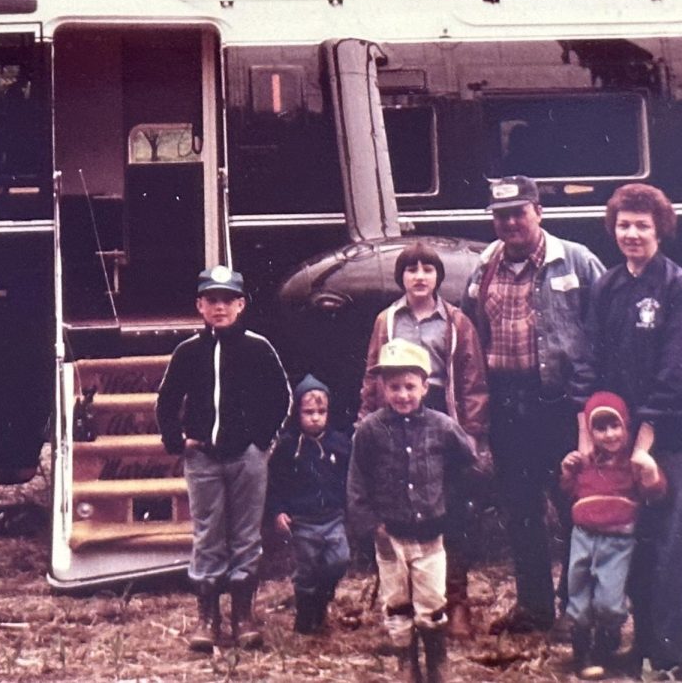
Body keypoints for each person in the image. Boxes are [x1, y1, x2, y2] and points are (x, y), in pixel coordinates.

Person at [570, 183, 682, 678]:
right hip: (621, 439)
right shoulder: (608, 287)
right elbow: (589, 364)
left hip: (672, 438)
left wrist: (645, 446)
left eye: (642, 226)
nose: (631, 234)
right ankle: (649, 647)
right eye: (624, 225)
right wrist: (590, 437)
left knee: (675, 544)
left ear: (661, 231)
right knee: (635, 543)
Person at [461, 175, 605, 634]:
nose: (509, 223)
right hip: (507, 405)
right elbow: (470, 337)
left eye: (518, 213)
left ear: (538, 212)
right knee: (519, 508)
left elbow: (602, 333)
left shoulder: (576, 261)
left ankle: (576, 607)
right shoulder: (484, 267)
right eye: (501, 216)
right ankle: (535, 608)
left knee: (573, 506)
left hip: (561, 406)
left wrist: (591, 401)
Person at [357, 241, 491, 638]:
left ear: (438, 277)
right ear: (401, 277)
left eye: (427, 269)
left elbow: (473, 381)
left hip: (442, 425)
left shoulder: (455, 322)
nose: (419, 276)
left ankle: (456, 598)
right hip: (397, 424)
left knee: (452, 513)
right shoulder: (387, 320)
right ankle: (406, 604)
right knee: (403, 510)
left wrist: (472, 435)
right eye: (411, 269)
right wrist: (366, 419)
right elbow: (371, 375)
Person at [156, 265, 291, 652]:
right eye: (211, 300)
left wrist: (261, 442)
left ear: (241, 304)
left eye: (227, 300)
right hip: (203, 460)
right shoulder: (188, 352)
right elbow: (166, 400)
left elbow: (281, 397)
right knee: (208, 533)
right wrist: (176, 440)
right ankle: (207, 618)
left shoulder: (258, 348)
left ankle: (243, 616)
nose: (220, 307)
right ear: (200, 305)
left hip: (247, 458)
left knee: (246, 534)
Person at [348, 339, 479, 683]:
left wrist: (452, 505)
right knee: (397, 600)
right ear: (382, 388)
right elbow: (357, 481)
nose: (402, 395)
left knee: (431, 600)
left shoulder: (443, 426)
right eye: (394, 387)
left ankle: (436, 660)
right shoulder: (370, 430)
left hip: (431, 534)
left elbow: (469, 465)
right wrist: (370, 524)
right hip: (389, 534)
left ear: (425, 385)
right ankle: (406, 660)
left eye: (410, 386)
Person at [560, 391, 667, 680]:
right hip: (583, 539)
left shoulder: (632, 464)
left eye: (615, 426)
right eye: (601, 428)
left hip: (617, 542)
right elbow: (569, 491)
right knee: (578, 595)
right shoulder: (585, 462)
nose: (609, 435)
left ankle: (608, 638)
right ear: (591, 432)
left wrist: (651, 471)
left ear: (626, 427)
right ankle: (583, 655)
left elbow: (654, 492)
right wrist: (567, 471)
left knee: (609, 600)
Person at [267, 374, 352, 635]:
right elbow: (275, 484)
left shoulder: (340, 443)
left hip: (333, 517)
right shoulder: (288, 448)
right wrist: (278, 511)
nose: (315, 417)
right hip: (303, 521)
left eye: (321, 411)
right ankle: (306, 613)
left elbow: (350, 478)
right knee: (307, 568)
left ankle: (322, 599)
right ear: (297, 414)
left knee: (339, 560)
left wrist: (352, 508)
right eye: (308, 412)